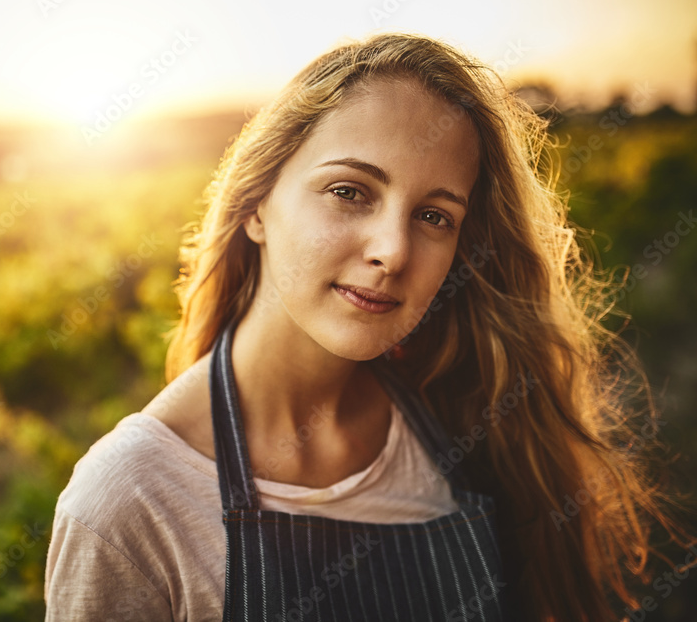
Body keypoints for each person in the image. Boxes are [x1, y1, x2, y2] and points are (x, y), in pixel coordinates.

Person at [43, 32, 691, 621]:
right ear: (256, 205)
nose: (393, 250)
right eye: (350, 191)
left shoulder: (469, 415)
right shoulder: (131, 502)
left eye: (435, 216)